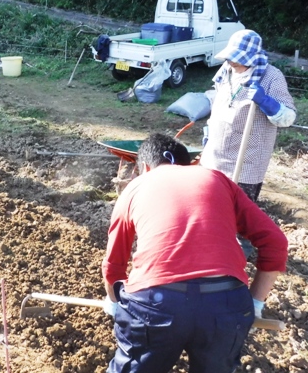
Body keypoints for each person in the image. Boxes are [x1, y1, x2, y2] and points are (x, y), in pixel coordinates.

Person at [102, 133, 288, 373]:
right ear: (189, 164)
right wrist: (254, 303)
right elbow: (276, 242)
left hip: (156, 304)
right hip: (227, 304)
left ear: (145, 167)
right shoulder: (217, 179)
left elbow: (114, 266)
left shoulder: (135, 187)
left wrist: (115, 303)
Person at [200, 29, 296, 202]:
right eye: (230, 57)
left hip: (245, 163)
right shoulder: (227, 70)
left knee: (238, 216)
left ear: (252, 58)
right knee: (210, 208)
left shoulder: (271, 77)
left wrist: (266, 102)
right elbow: (218, 103)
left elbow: (288, 118)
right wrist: (209, 130)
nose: (231, 62)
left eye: (237, 59)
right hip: (214, 158)